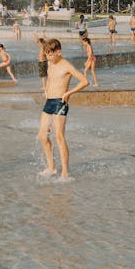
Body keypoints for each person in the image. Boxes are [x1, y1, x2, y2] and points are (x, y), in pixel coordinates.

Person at [38, 38, 89, 179]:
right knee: (42, 136)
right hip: (49, 102)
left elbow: (85, 81)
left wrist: (69, 93)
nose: (48, 57)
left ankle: (65, 172)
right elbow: (50, 79)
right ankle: (51, 167)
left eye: (50, 54)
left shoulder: (66, 65)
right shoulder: (50, 63)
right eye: (47, 54)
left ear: (58, 52)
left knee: (59, 137)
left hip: (60, 102)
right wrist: (46, 90)